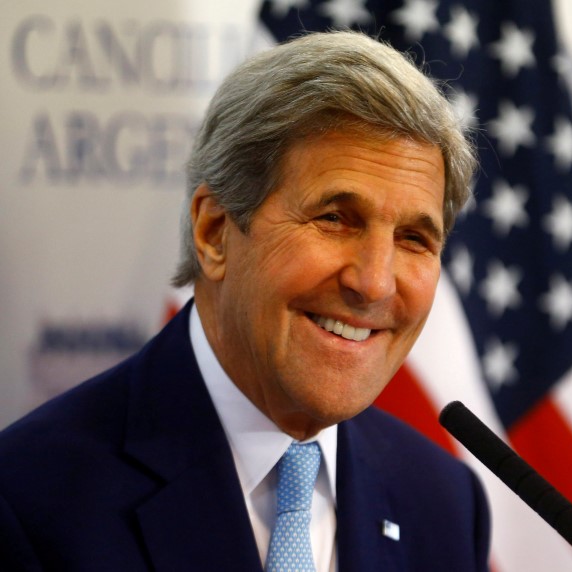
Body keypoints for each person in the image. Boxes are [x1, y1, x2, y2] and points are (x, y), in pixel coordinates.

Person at [0, 31, 490, 571]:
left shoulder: (445, 503)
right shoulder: (28, 499)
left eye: (414, 239)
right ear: (214, 233)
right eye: (333, 218)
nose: (375, 283)